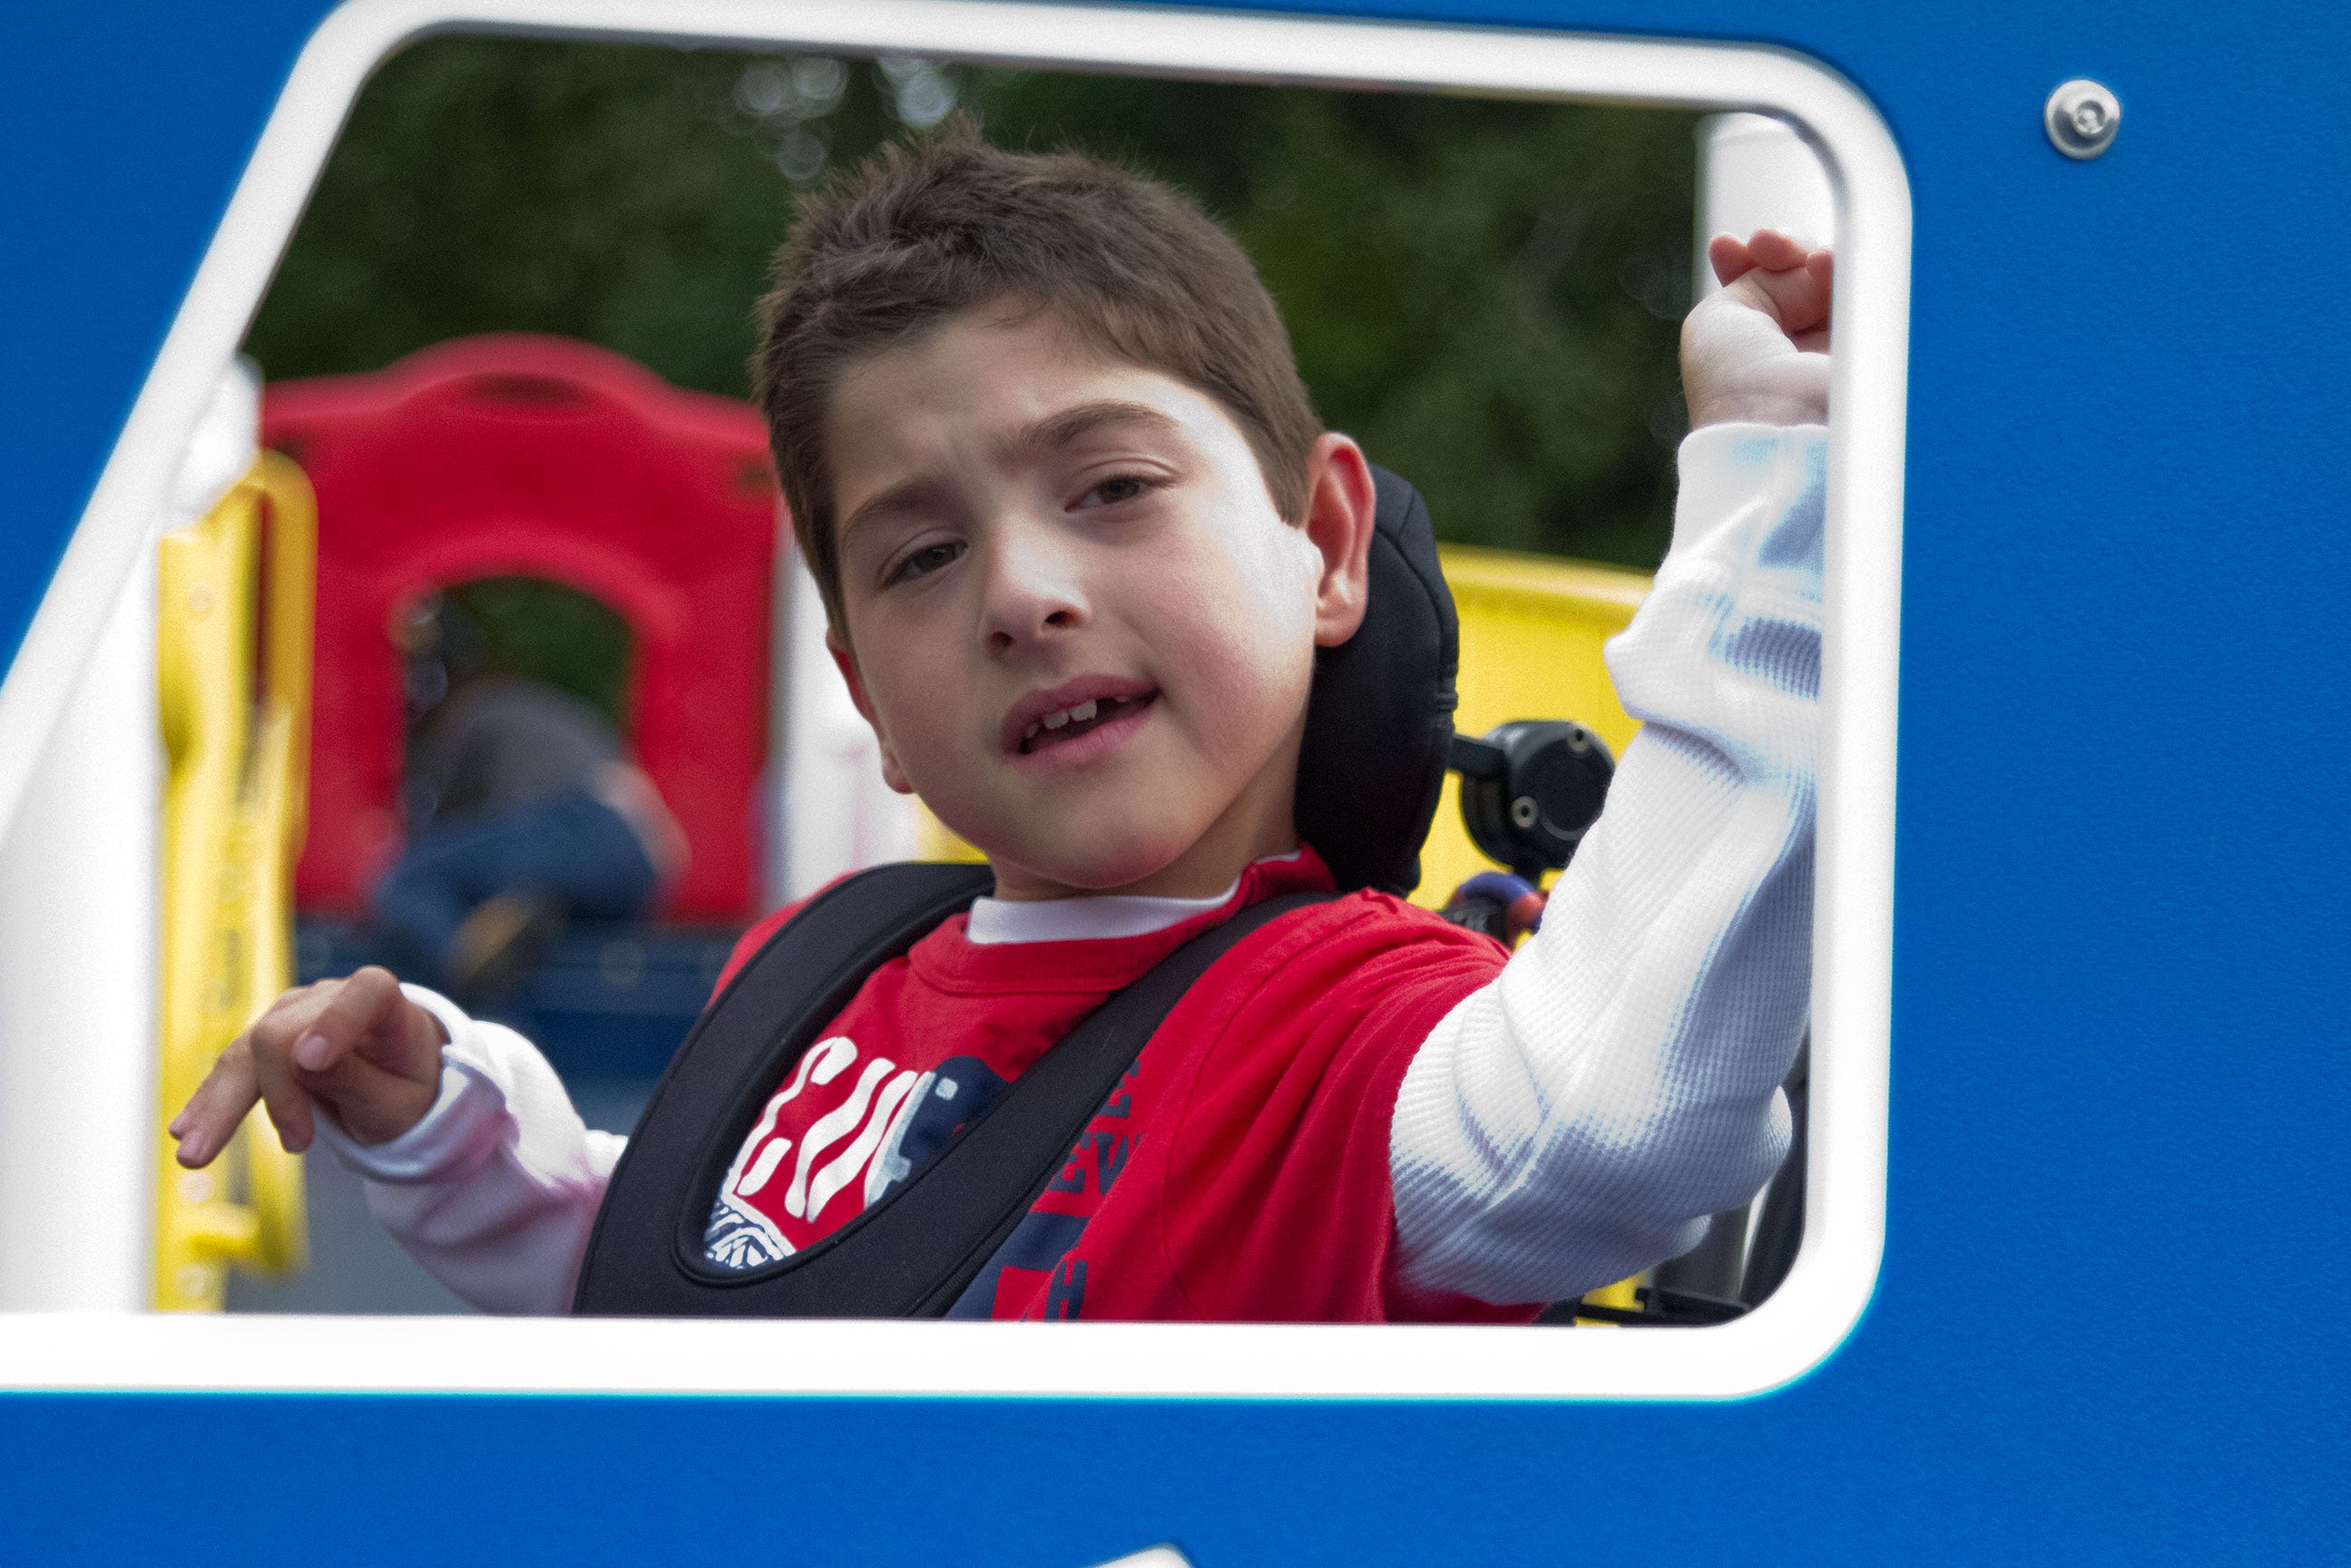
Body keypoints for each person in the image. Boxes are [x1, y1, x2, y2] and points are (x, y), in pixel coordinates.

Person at [171, 127, 1830, 1322]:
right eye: (920, 554)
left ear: (1323, 546)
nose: (1020, 592)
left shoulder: (1345, 1035)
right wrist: (454, 1124)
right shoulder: (818, 965)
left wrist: (1769, 490)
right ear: (864, 694)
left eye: (1109, 488)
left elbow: (1612, 1118)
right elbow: (706, 1286)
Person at [367, 597, 688, 1003]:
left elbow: (446, 824)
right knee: (523, 893)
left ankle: (468, 995)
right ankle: (525, 908)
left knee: (409, 878)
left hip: (573, 823)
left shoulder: (474, 713)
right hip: (639, 863)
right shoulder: (551, 710)